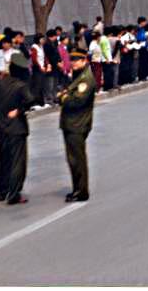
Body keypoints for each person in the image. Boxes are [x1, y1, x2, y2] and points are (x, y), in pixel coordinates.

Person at [0, 52, 36, 205]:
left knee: (3, 160)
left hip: (1, 127)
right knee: (18, 162)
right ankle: (14, 194)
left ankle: (0, 191)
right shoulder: (21, 86)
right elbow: (30, 101)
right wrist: (18, 111)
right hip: (17, 128)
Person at [58, 47, 97, 203]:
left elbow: (76, 101)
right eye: (71, 60)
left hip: (77, 124)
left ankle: (81, 191)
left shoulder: (86, 79)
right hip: (71, 123)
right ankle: (77, 188)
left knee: (77, 159)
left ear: (84, 60)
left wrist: (63, 97)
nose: (73, 63)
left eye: (76, 60)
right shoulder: (78, 75)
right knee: (72, 158)